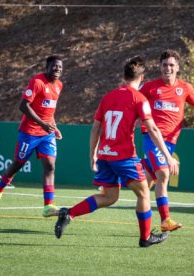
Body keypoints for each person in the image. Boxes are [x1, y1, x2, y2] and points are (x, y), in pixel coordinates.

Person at [54, 56, 179, 248]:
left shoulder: (108, 97)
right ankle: (145, 238)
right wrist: (169, 157)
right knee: (144, 193)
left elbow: (95, 128)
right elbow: (153, 130)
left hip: (105, 155)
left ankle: (68, 213)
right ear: (142, 77)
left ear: (124, 75)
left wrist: (93, 155)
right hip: (124, 156)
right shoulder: (140, 98)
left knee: (110, 197)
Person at [0, 55, 64, 218]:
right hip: (29, 132)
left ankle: (48, 206)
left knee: (50, 166)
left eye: (60, 66)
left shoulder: (59, 85)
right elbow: (23, 106)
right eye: (54, 66)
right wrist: (41, 124)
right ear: (47, 67)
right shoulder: (37, 82)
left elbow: (49, 111)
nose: (57, 69)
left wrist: (54, 127)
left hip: (47, 134)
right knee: (18, 164)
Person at [140, 49, 194, 232]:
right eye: (164, 65)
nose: (168, 68)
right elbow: (134, 102)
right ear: (160, 67)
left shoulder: (185, 88)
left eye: (171, 65)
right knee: (163, 174)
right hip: (152, 138)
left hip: (170, 142)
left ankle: (115, 181)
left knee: (146, 182)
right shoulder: (150, 87)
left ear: (177, 68)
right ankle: (165, 220)